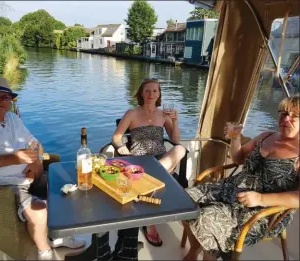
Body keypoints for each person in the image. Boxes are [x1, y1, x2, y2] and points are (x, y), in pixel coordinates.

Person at [0, 77, 86, 260]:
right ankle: (44, 251)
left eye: (7, 96)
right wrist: (14, 158)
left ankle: (56, 237)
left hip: (26, 176)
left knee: (68, 186)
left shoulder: (12, 119)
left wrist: (36, 162)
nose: (3, 100)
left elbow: (34, 143)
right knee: (39, 209)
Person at [182, 96, 300, 260]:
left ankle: (209, 255)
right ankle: (195, 249)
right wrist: (235, 138)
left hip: (262, 210)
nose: (286, 118)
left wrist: (260, 198)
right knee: (182, 200)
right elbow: (238, 158)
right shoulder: (266, 136)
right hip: (231, 188)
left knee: (205, 218)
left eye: (295, 115)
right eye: (283, 113)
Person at [112, 78, 186, 247]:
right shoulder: (132, 113)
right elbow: (116, 137)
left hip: (161, 159)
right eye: (147, 91)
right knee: (173, 161)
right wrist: (121, 146)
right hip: (139, 161)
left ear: (159, 94)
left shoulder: (163, 115)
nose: (151, 94)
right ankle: (149, 222)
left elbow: (175, 140)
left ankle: (150, 181)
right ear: (141, 94)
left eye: (155, 91)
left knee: (180, 149)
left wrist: (175, 121)